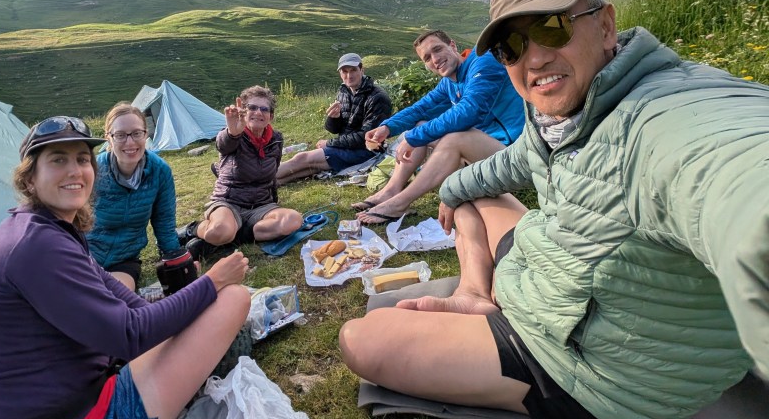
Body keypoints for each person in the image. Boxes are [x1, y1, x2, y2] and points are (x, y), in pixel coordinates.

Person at [340, 0, 769, 419]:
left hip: (592, 364)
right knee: (469, 195)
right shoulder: (560, 116)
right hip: (553, 270)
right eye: (511, 46)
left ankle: (473, 287)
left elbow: (732, 172)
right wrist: (451, 187)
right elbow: (508, 162)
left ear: (605, 25)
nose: (534, 58)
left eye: (552, 26)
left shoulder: (666, 117)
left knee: (360, 338)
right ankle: (475, 292)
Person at [0, 116, 251, 419]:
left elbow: (135, 308)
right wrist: (211, 283)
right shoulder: (38, 247)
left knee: (183, 319)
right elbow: (131, 335)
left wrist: (188, 304)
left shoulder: (41, 230)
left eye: (82, 159)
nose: (75, 170)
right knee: (233, 299)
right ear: (29, 179)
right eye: (58, 160)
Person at [354, 28, 524, 225]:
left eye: (437, 49)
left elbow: (470, 110)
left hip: (514, 152)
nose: (435, 60)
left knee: (451, 138)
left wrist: (415, 137)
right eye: (427, 58)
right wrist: (387, 127)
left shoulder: (483, 61)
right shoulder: (449, 82)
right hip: (484, 149)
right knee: (420, 124)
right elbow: (421, 108)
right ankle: (391, 191)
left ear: (452, 45)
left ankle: (399, 203)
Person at [184, 86, 304, 261]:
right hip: (229, 202)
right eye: (252, 107)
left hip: (261, 205)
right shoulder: (233, 134)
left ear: (271, 116)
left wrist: (274, 202)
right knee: (219, 230)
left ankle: (232, 237)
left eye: (264, 109)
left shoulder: (276, 139)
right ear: (244, 112)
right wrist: (233, 132)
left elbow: (272, 175)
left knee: (293, 220)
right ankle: (192, 229)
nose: (258, 112)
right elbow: (223, 145)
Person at [87, 103, 178, 291]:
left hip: (124, 260)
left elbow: (164, 221)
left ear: (146, 134)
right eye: (120, 135)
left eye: (136, 133)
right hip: (84, 254)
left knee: (116, 295)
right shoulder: (93, 170)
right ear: (108, 138)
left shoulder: (159, 171)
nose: (130, 143)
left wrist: (175, 259)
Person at [276, 52, 393, 185]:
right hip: (346, 147)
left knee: (302, 158)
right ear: (340, 73)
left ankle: (259, 176)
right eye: (344, 71)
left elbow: (367, 137)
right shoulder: (344, 91)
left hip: (366, 151)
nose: (349, 76)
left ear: (362, 70)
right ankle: (268, 183)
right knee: (308, 168)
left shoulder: (378, 98)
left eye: (353, 70)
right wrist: (333, 118)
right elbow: (334, 129)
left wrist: (329, 143)